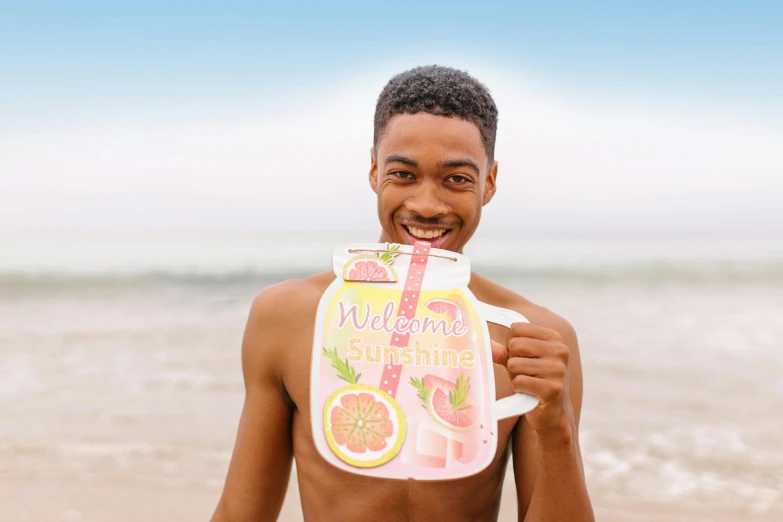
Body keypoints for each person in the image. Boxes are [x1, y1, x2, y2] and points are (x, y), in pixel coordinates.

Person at [210, 65, 594, 522]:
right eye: (404, 174)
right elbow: (241, 513)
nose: (427, 205)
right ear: (375, 170)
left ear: (488, 183)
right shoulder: (289, 317)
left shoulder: (532, 339)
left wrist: (557, 431)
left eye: (456, 179)